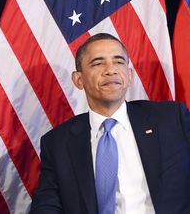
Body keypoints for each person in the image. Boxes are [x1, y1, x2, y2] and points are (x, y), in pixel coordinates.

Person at [30, 33, 190, 214]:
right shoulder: (57, 142)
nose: (111, 70)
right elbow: (47, 205)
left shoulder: (171, 119)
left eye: (119, 62)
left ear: (129, 76)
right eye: (98, 63)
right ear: (78, 79)